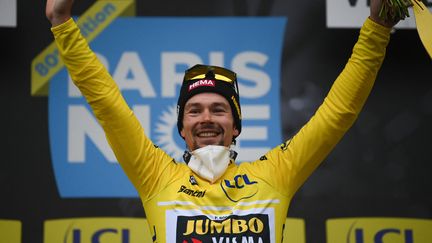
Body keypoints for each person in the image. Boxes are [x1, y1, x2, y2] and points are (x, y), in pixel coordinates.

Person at [46, 0, 399, 242]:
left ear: (236, 125)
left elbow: (338, 113)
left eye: (219, 109)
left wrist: (378, 28)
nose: (206, 118)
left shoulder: (274, 174)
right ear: (181, 127)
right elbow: (107, 104)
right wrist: (62, 23)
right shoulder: (156, 175)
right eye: (194, 110)